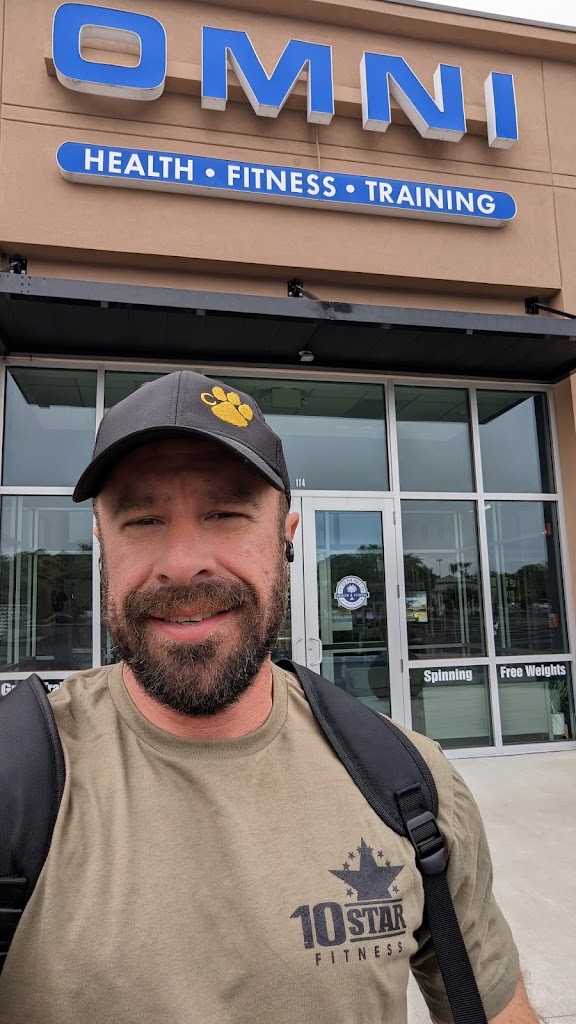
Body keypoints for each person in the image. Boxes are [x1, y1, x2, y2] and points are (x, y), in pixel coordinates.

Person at [0, 371, 537, 1024]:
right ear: (102, 545)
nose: (183, 561)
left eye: (225, 514)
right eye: (142, 520)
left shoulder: (409, 785)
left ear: (287, 535)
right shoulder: (15, 783)